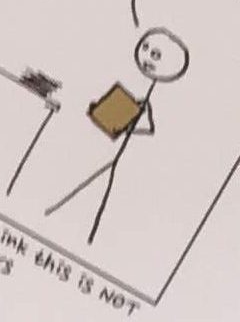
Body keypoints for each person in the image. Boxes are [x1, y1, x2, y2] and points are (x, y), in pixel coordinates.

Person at [45, 26, 188, 240]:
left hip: (113, 153)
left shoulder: (143, 102)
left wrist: (128, 128)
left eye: (156, 55)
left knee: (96, 191)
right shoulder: (126, 91)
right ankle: (57, 213)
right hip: (98, 146)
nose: (148, 57)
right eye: (146, 48)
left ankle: (80, 228)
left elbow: (149, 130)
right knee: (81, 182)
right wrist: (98, 111)